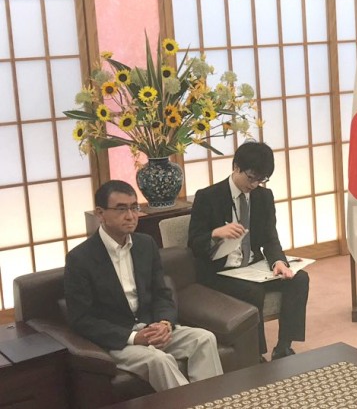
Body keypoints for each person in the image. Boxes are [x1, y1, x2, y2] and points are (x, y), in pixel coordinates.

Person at [64, 180, 223, 392]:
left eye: (134, 207)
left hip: (151, 328)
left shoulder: (145, 244)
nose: (130, 216)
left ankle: (214, 402)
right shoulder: (80, 258)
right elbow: (81, 319)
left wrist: (165, 323)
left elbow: (162, 294)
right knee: (159, 360)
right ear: (100, 213)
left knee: (204, 339)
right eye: (121, 209)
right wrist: (132, 337)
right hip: (119, 340)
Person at [188, 141, 309, 361]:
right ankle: (255, 353)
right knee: (253, 291)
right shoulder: (208, 196)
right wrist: (216, 232)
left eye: (261, 179)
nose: (254, 185)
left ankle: (283, 346)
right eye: (251, 177)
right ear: (236, 167)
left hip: (252, 266)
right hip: (220, 271)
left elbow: (271, 238)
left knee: (298, 278)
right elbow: (194, 243)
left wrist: (279, 262)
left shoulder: (264, 196)